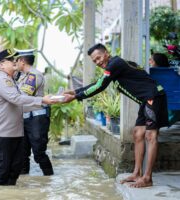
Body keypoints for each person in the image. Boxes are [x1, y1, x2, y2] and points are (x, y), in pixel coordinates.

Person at [63, 43, 169, 188]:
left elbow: (100, 86)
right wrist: (76, 92)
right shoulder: (114, 66)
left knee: (150, 136)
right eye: (95, 61)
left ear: (106, 53)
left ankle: (147, 178)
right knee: (137, 134)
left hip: (153, 96)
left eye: (99, 58)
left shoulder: (115, 64)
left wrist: (76, 97)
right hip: (146, 100)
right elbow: (98, 82)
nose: (98, 62)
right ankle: (137, 173)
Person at [0, 49, 57, 185]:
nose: (15, 62)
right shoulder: (2, 80)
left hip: (12, 133)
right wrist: (42, 100)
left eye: (16, 59)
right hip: (1, 134)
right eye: (12, 60)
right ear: (2, 64)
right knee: (2, 173)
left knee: (15, 170)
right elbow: (16, 98)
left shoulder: (12, 79)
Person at [15, 49, 53, 176]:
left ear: (22, 61)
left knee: (39, 153)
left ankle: (49, 178)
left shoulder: (33, 75)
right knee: (22, 153)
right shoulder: (22, 76)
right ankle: (25, 184)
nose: (15, 63)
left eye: (16, 61)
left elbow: (24, 95)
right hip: (25, 119)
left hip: (36, 119)